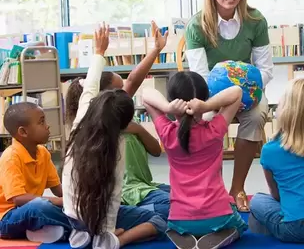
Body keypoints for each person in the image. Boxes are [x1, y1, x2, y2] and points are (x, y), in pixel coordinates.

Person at [62, 22, 168, 249]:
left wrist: (99, 52)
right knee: (165, 216)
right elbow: (114, 194)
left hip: (74, 216)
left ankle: (79, 234)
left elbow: (90, 86)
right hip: (103, 218)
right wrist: (109, 233)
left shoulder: (82, 120)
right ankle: (112, 239)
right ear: (122, 122)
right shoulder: (116, 144)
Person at [185, 0, 273, 212]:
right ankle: (213, 190)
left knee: (256, 116)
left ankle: (238, 188)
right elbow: (200, 77)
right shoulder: (196, 25)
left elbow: (265, 69)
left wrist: (245, 95)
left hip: (250, 92)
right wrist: (224, 102)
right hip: (211, 94)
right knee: (205, 118)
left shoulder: (256, 20)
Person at [142, 72, 247, 249]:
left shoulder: (167, 133)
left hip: (180, 219)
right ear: (204, 98)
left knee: (175, 222)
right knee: (240, 225)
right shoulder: (214, 130)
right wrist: (206, 106)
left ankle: (180, 234)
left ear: (172, 98)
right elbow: (236, 91)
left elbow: (145, 93)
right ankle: (224, 234)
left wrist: (168, 108)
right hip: (218, 215)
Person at [66, 72, 170, 222]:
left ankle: (136, 213)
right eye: (118, 89)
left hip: (143, 186)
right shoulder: (98, 127)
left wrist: (138, 129)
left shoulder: (127, 118)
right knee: (172, 205)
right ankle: (130, 213)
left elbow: (155, 150)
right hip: (126, 192)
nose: (125, 93)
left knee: (185, 197)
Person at [0, 102, 71, 243]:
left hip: (30, 214)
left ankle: (59, 231)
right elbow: (18, 199)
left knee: (72, 207)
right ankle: (86, 228)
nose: (47, 126)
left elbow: (58, 190)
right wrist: (61, 202)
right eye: (41, 122)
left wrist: (78, 198)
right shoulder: (10, 157)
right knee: (40, 206)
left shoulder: (43, 153)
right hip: (7, 218)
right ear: (23, 132)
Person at [249, 79, 304, 243]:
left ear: (285, 111)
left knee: (258, 200)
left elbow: (276, 195)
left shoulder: (270, 150)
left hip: (295, 228)